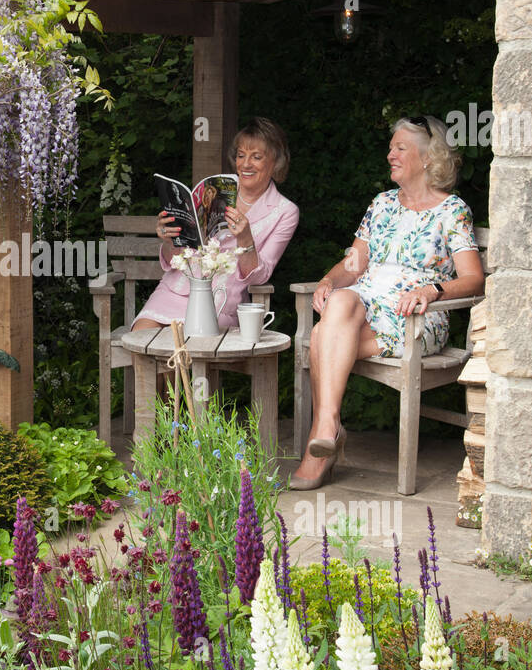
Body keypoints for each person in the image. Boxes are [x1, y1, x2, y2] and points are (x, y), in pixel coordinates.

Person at [290, 115, 485, 491]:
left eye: (400, 148)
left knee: (321, 337)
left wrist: (434, 291)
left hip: (414, 314)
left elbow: (474, 278)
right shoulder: (381, 204)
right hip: (365, 303)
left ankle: (322, 440)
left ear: (428, 158)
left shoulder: (452, 211)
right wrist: (330, 281)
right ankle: (328, 426)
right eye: (391, 147)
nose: (390, 154)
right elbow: (354, 265)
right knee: (342, 299)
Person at [133, 117, 300, 331]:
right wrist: (170, 240)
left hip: (220, 299)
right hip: (176, 288)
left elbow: (260, 277)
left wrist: (245, 238)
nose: (246, 164)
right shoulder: (218, 185)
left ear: (276, 162)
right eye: (241, 155)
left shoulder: (285, 211)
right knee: (142, 336)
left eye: (256, 157)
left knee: (183, 347)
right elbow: (177, 257)